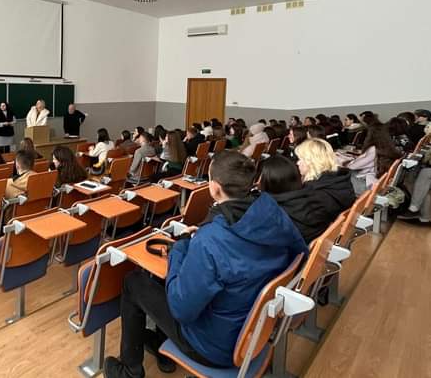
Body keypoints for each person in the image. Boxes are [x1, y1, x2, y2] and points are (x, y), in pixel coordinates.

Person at [103, 150, 307, 378]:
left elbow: (181, 310)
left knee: (134, 282)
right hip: (254, 330)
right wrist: (202, 238)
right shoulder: (271, 211)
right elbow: (299, 253)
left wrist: (181, 248)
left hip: (215, 347)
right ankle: (160, 343)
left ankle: (129, 371)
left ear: (215, 188)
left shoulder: (211, 241)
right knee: (166, 279)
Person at [271, 139, 356, 243]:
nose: (298, 163)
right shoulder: (340, 182)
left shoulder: (314, 197)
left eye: (301, 159)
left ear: (311, 162)